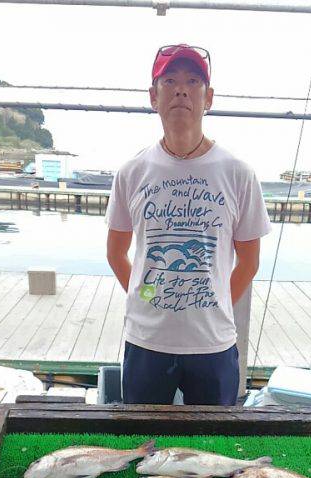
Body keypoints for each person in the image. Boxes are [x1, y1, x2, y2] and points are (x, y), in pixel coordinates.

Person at [106, 44, 271, 405]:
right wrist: (148, 296)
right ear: (154, 96)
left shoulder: (238, 173)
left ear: (208, 97)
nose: (181, 89)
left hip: (214, 344)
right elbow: (116, 253)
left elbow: (249, 261)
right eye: (170, 80)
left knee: (215, 449)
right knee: (142, 447)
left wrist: (215, 304)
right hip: (146, 342)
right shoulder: (131, 172)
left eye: (193, 80)